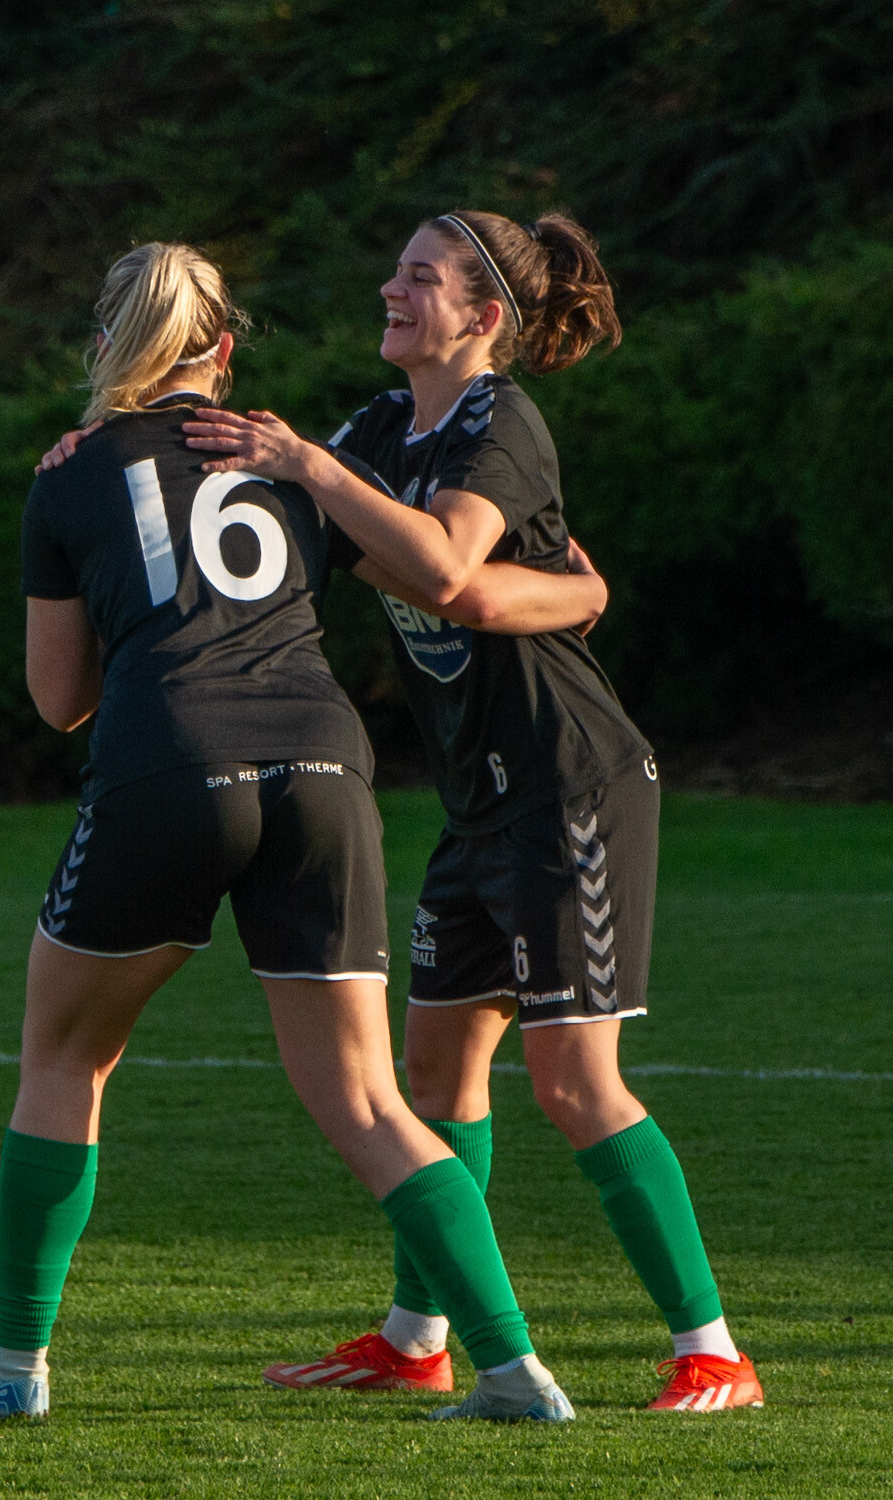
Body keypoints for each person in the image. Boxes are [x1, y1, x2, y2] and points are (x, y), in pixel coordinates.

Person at [0, 241, 595, 1425]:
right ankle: (511, 1371)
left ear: (106, 348)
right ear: (223, 351)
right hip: (324, 766)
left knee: (65, 1059)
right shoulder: (300, 463)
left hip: (170, 764)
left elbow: (58, 698)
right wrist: (583, 593)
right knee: (369, 1101)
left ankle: (13, 1363)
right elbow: (441, 578)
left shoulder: (72, 471)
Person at [181, 210, 763, 1414]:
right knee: (435, 1074)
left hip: (571, 785)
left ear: (482, 314)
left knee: (571, 1083)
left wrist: (319, 474)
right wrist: (105, 450)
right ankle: (415, 1339)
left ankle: (713, 1351)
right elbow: (338, 535)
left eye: (418, 277)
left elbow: (447, 569)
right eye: (393, 268)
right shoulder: (380, 429)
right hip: (477, 803)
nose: (388, 289)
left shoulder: (500, 424)